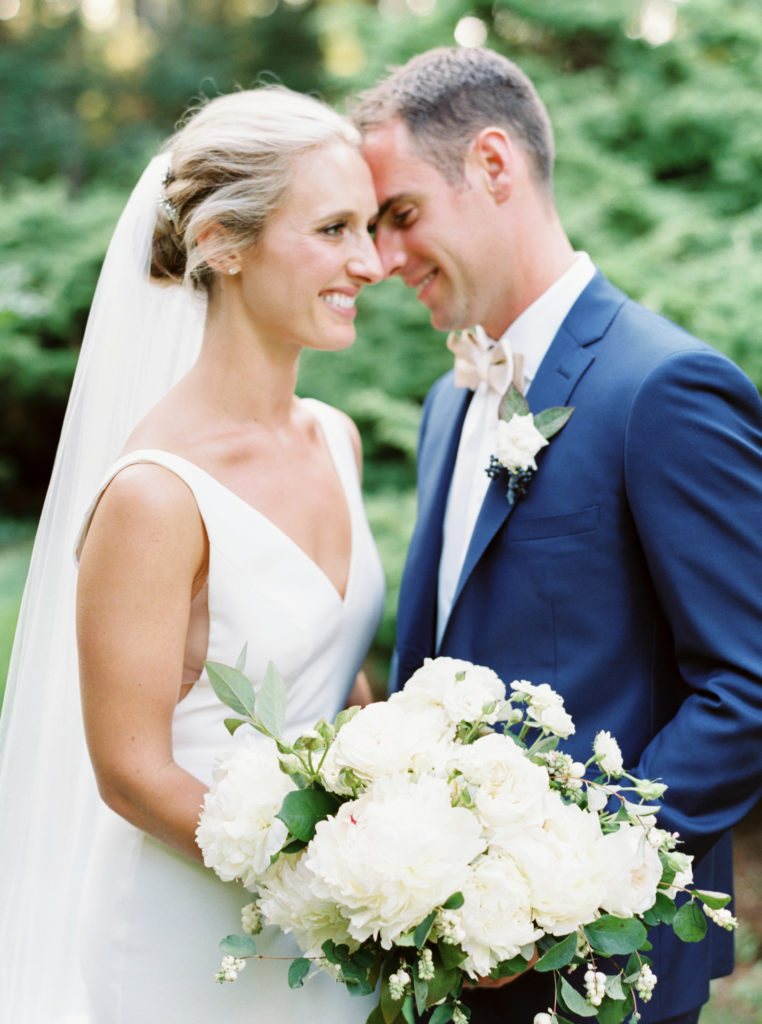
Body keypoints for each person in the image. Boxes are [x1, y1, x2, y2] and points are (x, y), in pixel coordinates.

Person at [352, 46, 762, 1024]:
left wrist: (564, 887)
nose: (383, 259)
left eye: (401, 214)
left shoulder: (663, 387)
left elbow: (748, 682)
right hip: (450, 972)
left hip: (605, 977)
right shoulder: (447, 405)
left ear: (493, 165)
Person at [0, 86, 384, 1023]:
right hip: (189, 941)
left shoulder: (336, 438)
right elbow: (131, 774)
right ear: (222, 243)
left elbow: (331, 676)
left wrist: (411, 804)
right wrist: (334, 868)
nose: (370, 263)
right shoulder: (156, 493)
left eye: (370, 227)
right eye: (333, 229)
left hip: (335, 929)